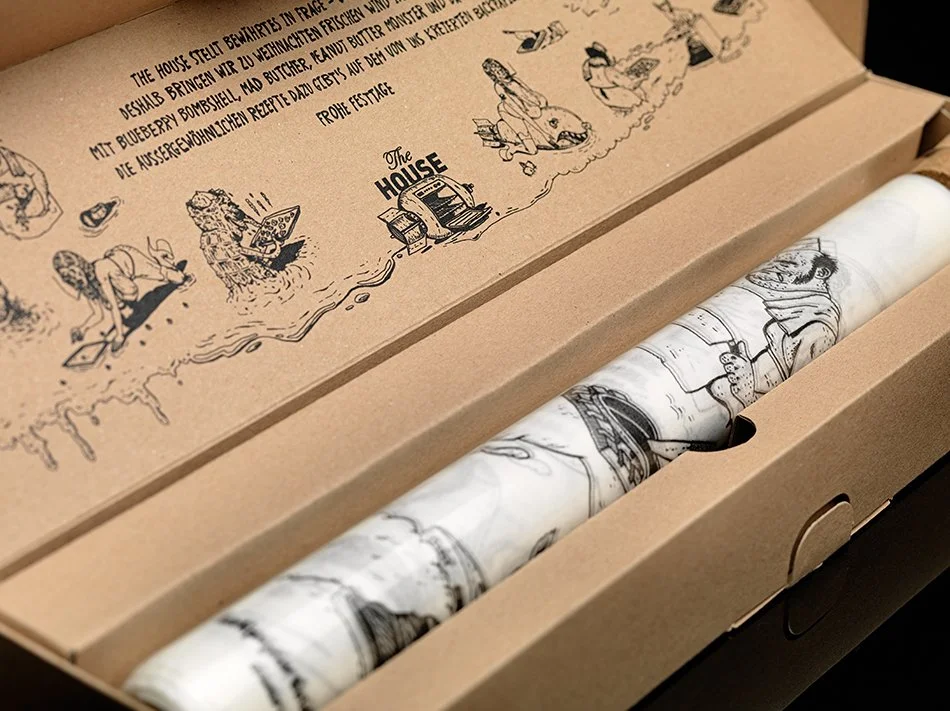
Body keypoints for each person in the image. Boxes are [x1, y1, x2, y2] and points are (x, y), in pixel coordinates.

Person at [53, 239, 193, 352]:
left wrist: (119, 336)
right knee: (110, 299)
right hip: (120, 274)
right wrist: (83, 329)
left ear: (79, 265)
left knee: (179, 279)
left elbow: (113, 305)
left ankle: (160, 259)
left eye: (72, 271)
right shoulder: (86, 285)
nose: (72, 277)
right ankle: (128, 307)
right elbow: (98, 314)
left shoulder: (100, 270)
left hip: (129, 259)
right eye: (67, 275)